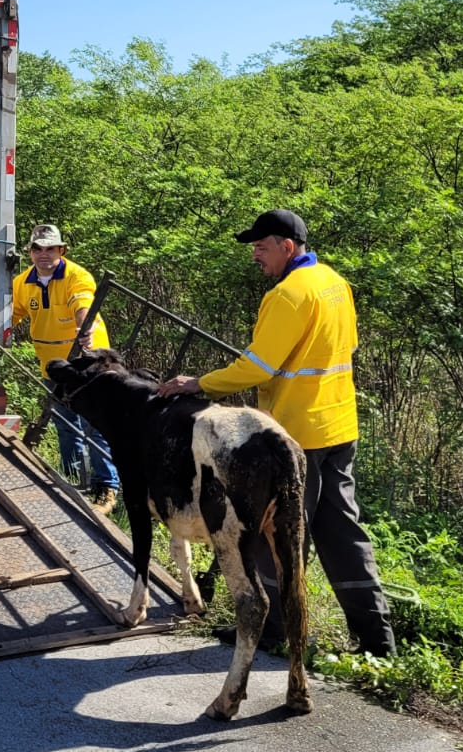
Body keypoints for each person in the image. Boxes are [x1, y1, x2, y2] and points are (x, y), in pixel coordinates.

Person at [158, 209, 396, 657]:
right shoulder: (334, 283)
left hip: (296, 435)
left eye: (261, 247)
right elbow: (348, 347)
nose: (255, 255)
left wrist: (198, 384)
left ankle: (272, 632)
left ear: (287, 246)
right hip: (339, 427)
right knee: (343, 535)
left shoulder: (287, 295)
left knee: (274, 535)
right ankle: (378, 643)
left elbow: (257, 367)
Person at [11, 223, 122, 510]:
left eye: (50, 248)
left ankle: (106, 488)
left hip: (88, 364)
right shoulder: (23, 282)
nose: (44, 254)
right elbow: (12, 314)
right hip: (54, 367)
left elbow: (82, 304)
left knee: (96, 425)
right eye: (38, 249)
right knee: (66, 425)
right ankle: (74, 483)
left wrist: (84, 327)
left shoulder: (77, 275)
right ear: (30, 252)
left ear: (61, 250)